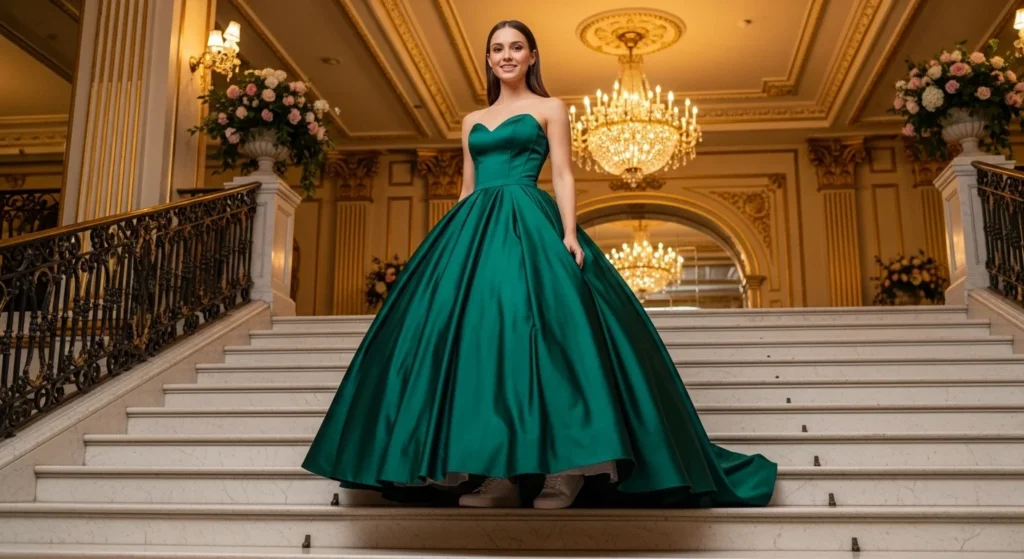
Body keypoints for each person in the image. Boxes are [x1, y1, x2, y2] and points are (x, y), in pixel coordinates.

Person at [302, 19, 777, 510]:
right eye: (497, 49)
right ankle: (496, 473)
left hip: (530, 221)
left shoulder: (551, 108)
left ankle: (562, 471)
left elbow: (565, 174)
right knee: (482, 346)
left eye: (516, 47)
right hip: (474, 228)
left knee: (545, 340)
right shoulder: (471, 120)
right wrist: (449, 248)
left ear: (532, 56)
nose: (506, 55)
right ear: (488, 60)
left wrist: (569, 234)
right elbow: (467, 188)